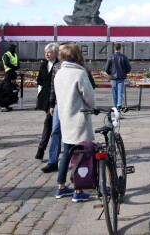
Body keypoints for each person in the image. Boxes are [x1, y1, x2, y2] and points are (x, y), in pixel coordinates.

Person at [52, 42, 95, 202]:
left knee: (66, 152)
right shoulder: (79, 74)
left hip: (65, 116)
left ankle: (61, 187)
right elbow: (89, 97)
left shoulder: (59, 73)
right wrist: (93, 107)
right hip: (79, 117)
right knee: (81, 154)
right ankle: (78, 190)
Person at [35, 43, 59, 160]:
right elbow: (39, 80)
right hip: (46, 98)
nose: (47, 54)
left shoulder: (59, 65)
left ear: (55, 53)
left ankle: (41, 149)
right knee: (51, 124)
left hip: (56, 99)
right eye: (46, 52)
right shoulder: (43, 65)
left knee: (48, 123)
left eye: (49, 52)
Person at [105, 43, 131, 108]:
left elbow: (106, 68)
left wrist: (110, 73)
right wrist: (125, 72)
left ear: (114, 48)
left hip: (113, 78)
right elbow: (129, 68)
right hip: (121, 77)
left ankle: (114, 109)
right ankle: (119, 107)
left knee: (114, 94)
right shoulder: (124, 57)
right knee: (120, 94)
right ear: (120, 48)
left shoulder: (110, 57)